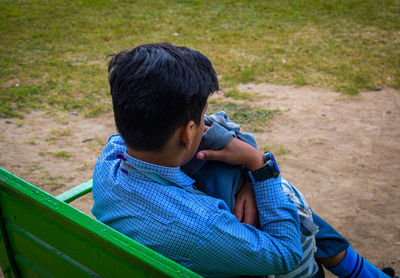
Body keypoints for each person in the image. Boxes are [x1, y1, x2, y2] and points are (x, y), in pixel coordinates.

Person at [91, 43, 396, 278]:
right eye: (201, 118)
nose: (207, 121)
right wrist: (258, 165)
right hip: (231, 258)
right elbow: (287, 252)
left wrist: (250, 181)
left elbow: (212, 127)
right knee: (291, 207)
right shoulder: (204, 225)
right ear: (187, 133)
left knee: (279, 202)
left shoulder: (111, 158)